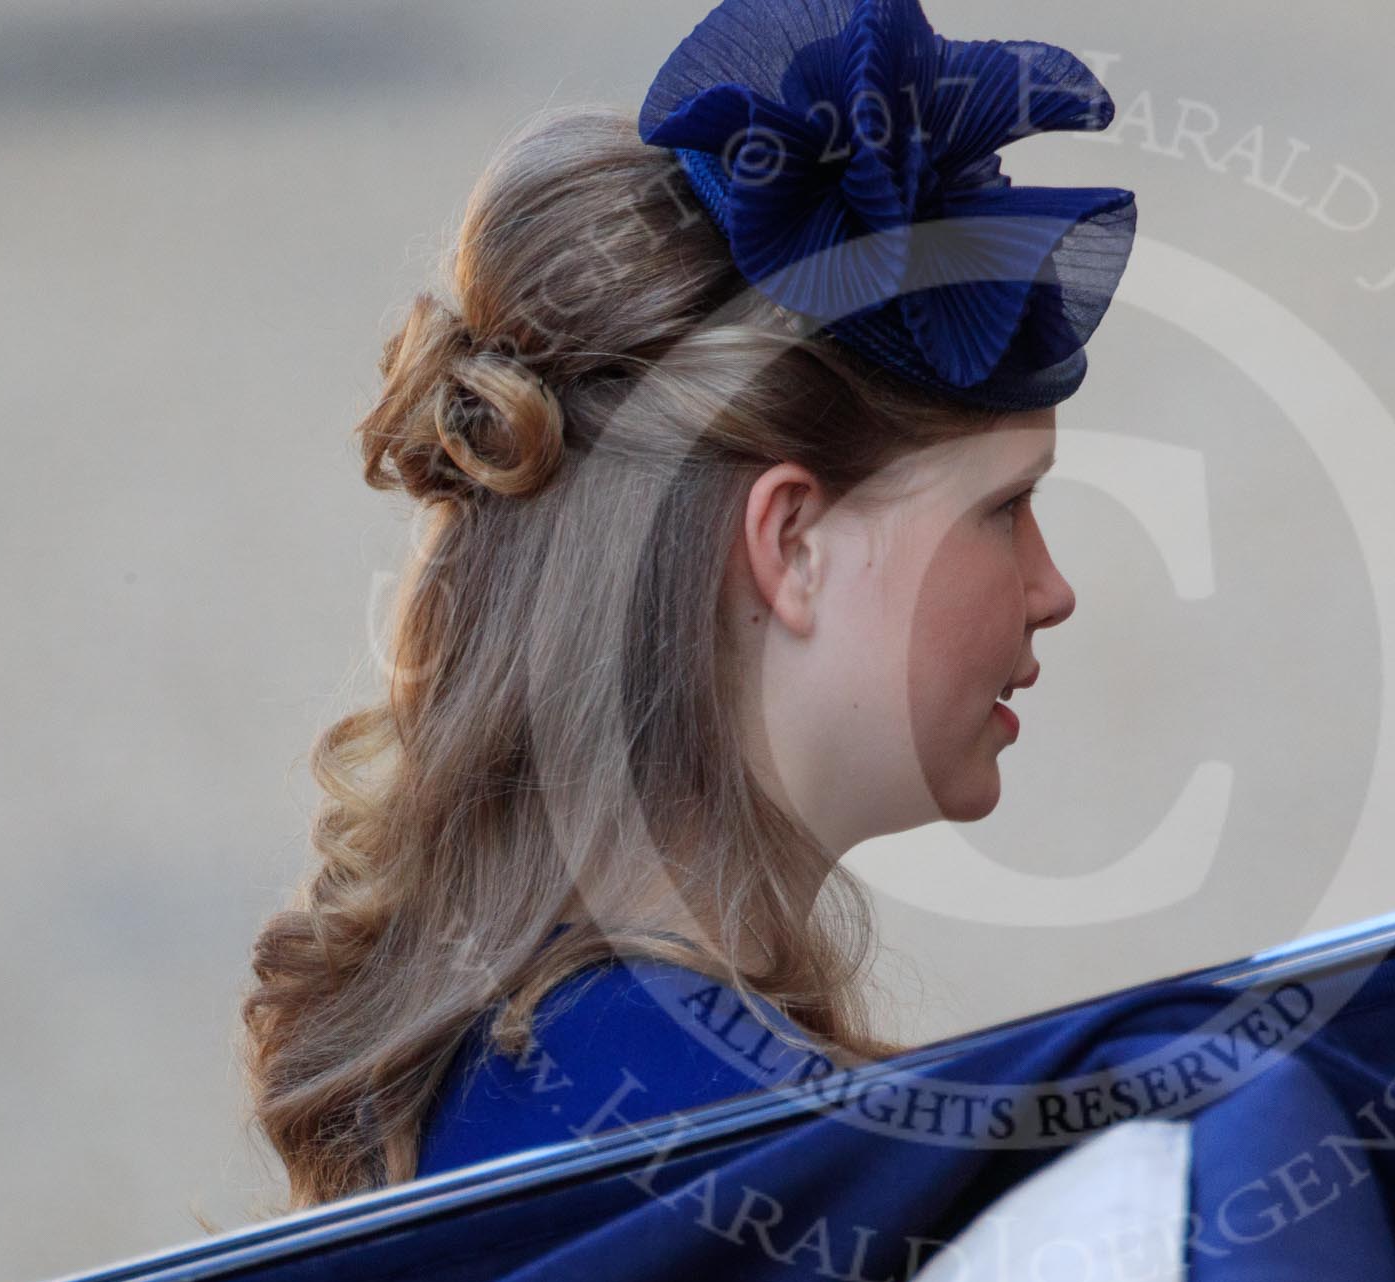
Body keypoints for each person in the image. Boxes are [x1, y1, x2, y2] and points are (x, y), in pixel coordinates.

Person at [238, 0, 1136, 1211]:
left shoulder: (545, 1055)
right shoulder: (718, 1149)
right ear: (792, 543)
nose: (1053, 588)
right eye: (1003, 508)